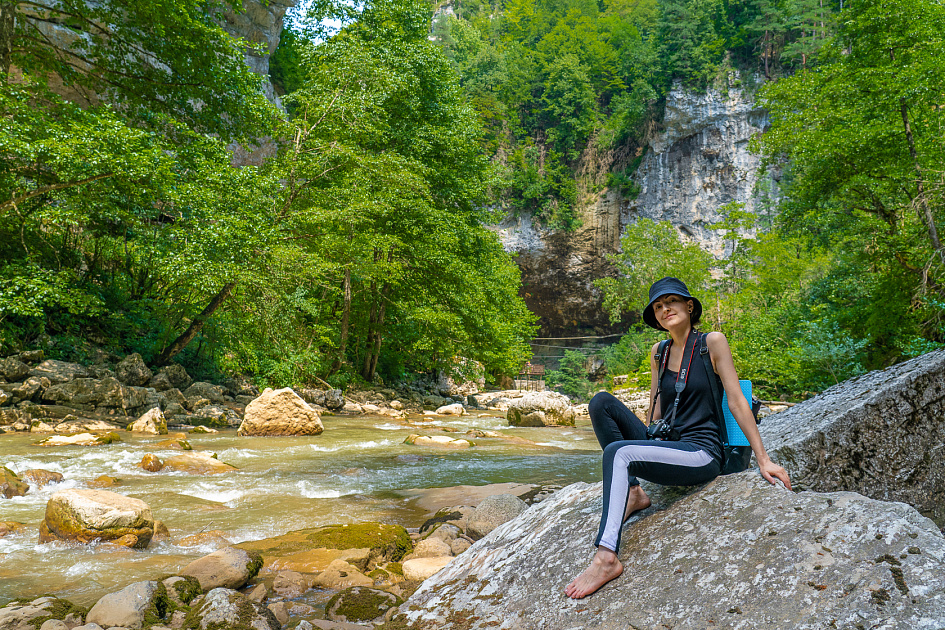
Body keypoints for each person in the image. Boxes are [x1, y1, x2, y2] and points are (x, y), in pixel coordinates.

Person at [564, 276, 792, 599]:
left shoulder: (712, 342)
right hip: (670, 443)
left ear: (689, 306)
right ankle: (634, 493)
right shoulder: (659, 351)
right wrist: (645, 444)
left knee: (618, 453)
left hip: (702, 452)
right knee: (600, 402)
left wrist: (764, 459)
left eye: (671, 301)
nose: (664, 309)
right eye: (658, 306)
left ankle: (606, 559)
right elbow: (655, 412)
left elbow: (737, 401)